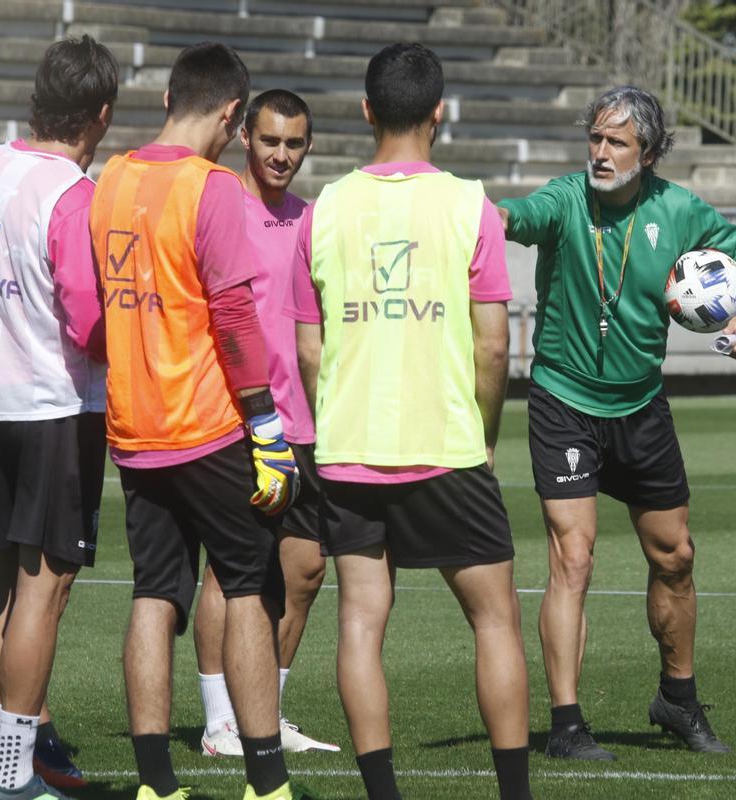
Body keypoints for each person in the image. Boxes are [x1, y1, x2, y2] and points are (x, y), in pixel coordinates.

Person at [497, 84, 736, 760]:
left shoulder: (676, 209)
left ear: (646, 153)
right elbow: (512, 217)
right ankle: (566, 724)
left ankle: (677, 699)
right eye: (595, 138)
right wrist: (470, 212)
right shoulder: (565, 200)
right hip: (563, 400)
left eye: (616, 142)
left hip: (640, 404)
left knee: (674, 555)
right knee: (574, 556)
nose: (601, 152)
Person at [290, 43, 531, 800]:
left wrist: (335, 420)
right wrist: (485, 434)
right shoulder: (471, 205)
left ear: (366, 112)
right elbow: (494, 344)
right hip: (448, 445)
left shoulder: (324, 208)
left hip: (349, 449)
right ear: (440, 112)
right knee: (494, 621)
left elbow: (308, 347)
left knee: (362, 621)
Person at [88, 42, 307, 800]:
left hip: (134, 428)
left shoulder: (109, 178)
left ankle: (156, 785)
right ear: (230, 115)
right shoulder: (210, 187)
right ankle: (266, 784)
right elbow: (235, 316)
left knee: (155, 593)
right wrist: (268, 428)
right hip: (208, 425)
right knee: (248, 588)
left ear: (166, 101)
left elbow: (92, 307)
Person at [0, 38, 115, 800]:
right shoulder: (70, 192)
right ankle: (11, 776)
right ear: (102, 115)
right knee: (41, 593)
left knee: (1, 590)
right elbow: (88, 322)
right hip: (54, 406)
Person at [193, 88, 337, 758]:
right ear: (246, 135)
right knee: (231, 570)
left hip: (305, 424)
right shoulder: (220, 204)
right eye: (271, 140)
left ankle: (265, 712)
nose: (281, 155)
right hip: (239, 422)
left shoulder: (311, 218)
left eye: (295, 143)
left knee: (305, 570)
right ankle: (221, 721)